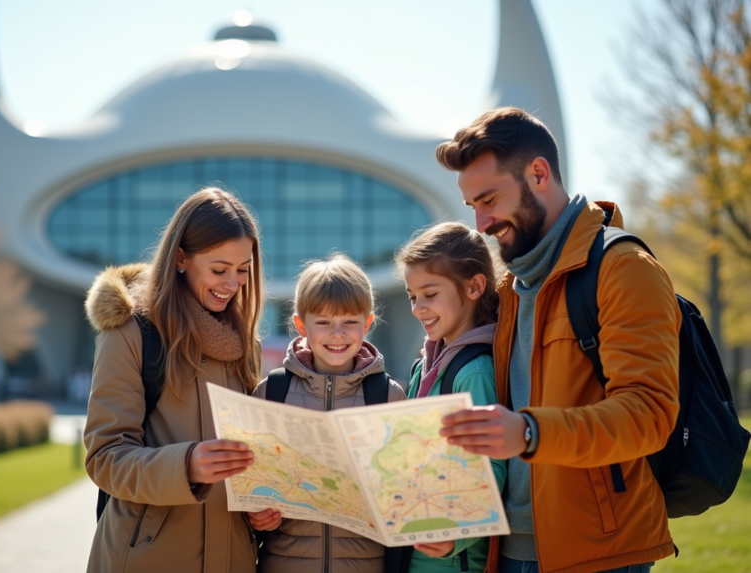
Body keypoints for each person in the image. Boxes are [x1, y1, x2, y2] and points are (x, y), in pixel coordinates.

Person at [435, 107, 681, 573]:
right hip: (506, 550)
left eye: (489, 199)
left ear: (539, 173)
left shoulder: (623, 268)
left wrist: (530, 432)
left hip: (599, 554)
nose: (481, 223)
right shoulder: (508, 289)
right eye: (473, 207)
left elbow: (649, 415)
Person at [83, 187, 264, 573]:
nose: (231, 284)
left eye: (242, 270)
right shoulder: (130, 333)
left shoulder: (248, 346)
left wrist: (265, 508)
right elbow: (104, 457)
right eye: (219, 270)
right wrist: (186, 467)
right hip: (146, 559)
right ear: (181, 257)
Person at [247, 253, 406, 573]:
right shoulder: (271, 393)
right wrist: (255, 516)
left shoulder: (387, 396)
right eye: (323, 322)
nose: (337, 333)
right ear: (301, 325)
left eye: (349, 321)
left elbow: (403, 494)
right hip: (285, 563)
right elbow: (250, 487)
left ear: (368, 323)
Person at [394, 222, 507, 573]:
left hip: (454, 559)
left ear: (474, 287)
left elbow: (492, 465)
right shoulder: (423, 367)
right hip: (417, 551)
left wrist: (455, 538)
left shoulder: (475, 371)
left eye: (430, 294)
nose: (417, 307)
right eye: (413, 297)